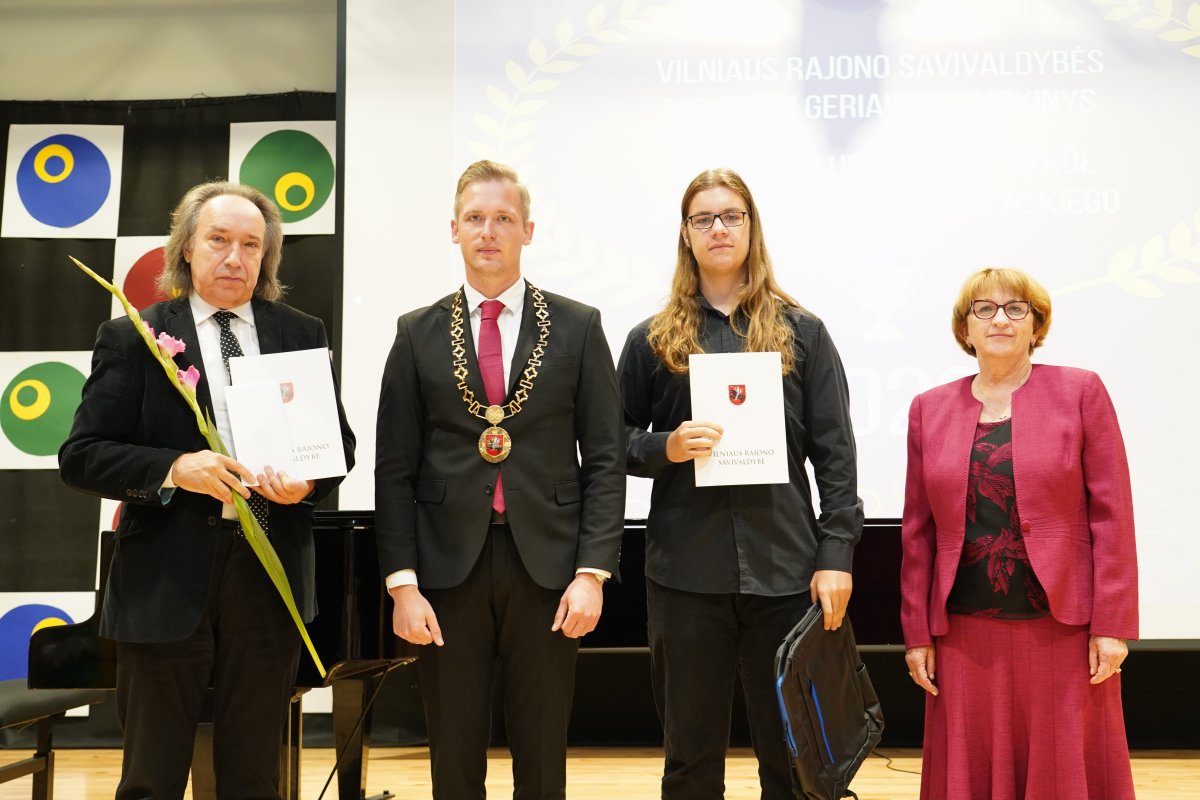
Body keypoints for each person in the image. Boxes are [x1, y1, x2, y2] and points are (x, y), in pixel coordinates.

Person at [58, 181, 357, 800]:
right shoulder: (134, 335)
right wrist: (175, 468)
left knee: (253, 775)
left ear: (266, 257)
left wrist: (307, 481)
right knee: (152, 777)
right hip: (163, 580)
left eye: (251, 245)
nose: (234, 257)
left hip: (268, 575)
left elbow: (339, 447)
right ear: (187, 248)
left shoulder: (301, 331)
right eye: (219, 240)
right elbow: (82, 457)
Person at [374, 160, 625, 798]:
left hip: (550, 569)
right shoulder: (415, 333)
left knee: (541, 754)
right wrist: (402, 584)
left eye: (504, 219)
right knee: (453, 755)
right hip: (445, 570)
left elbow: (605, 457)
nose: (489, 232)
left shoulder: (579, 326)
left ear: (528, 231)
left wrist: (593, 573)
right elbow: (394, 468)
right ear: (454, 229)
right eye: (475, 218)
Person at [617, 167, 863, 799]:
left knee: (793, 761)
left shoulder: (804, 333)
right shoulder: (649, 341)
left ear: (752, 227)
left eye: (732, 216)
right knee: (690, 761)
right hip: (684, 577)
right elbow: (610, 444)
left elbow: (836, 458)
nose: (719, 228)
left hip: (787, 574)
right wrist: (665, 446)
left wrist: (836, 555)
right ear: (686, 234)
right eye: (704, 218)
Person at [901, 267, 1137, 799]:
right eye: (984, 309)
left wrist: (1113, 624)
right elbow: (917, 534)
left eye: (1015, 309)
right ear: (965, 328)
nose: (1000, 320)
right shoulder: (928, 409)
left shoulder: (1081, 391)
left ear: (1037, 324)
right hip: (963, 634)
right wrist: (916, 633)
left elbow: (1113, 516)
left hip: (1062, 632)